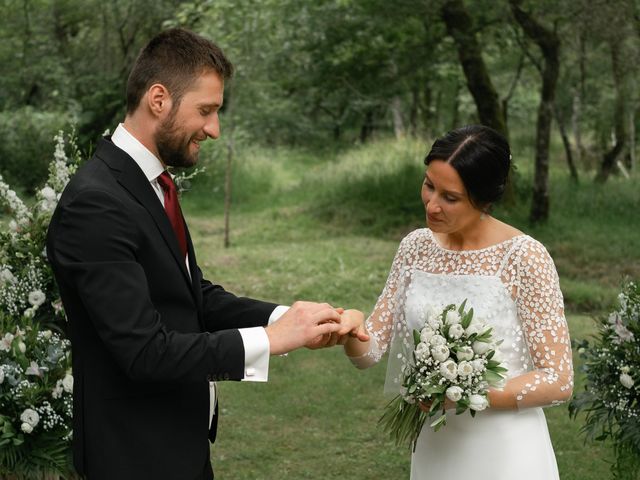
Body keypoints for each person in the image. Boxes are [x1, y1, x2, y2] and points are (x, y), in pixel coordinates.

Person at [46, 28, 362, 480]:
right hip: (134, 456)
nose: (214, 129)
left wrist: (290, 319)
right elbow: (145, 353)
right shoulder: (95, 203)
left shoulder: (149, 183)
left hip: (181, 443)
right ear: (159, 99)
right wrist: (271, 341)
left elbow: (192, 296)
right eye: (206, 111)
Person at [340, 125, 574, 479]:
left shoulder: (525, 257)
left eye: (450, 197)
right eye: (429, 185)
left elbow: (558, 380)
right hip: (436, 445)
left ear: (484, 199)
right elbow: (370, 352)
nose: (432, 205)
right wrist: (351, 331)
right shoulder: (415, 247)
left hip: (505, 450)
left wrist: (463, 393)